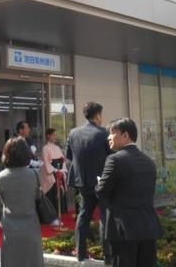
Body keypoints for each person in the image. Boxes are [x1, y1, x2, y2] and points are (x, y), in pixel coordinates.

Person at [96, 118, 162, 267]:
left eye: (112, 133)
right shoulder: (149, 161)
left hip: (123, 229)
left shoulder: (114, 159)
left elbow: (102, 191)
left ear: (125, 135)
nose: (108, 137)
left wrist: (98, 184)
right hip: (148, 227)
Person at [66, 101, 112, 265]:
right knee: (105, 216)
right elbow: (112, 156)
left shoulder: (73, 133)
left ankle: (80, 253)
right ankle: (108, 255)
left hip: (82, 181)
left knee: (84, 215)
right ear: (98, 115)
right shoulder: (103, 133)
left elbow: (69, 156)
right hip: (101, 181)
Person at [0, 136, 44, 267]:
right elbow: (37, 197)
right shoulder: (33, 174)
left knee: (11, 261)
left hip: (10, 227)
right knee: (33, 261)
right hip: (31, 225)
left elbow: (2, 200)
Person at [41, 127, 67, 225]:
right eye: (53, 135)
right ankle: (52, 218)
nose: (55, 136)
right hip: (52, 174)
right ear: (48, 136)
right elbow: (46, 162)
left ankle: (58, 217)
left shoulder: (57, 148)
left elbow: (62, 160)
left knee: (59, 196)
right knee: (52, 196)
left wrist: (62, 170)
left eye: (56, 135)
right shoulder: (45, 148)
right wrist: (55, 170)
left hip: (59, 173)